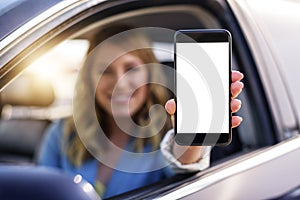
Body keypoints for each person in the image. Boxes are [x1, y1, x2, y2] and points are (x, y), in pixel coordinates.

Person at [38, 25, 243, 198]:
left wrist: (190, 143)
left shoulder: (166, 132)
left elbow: (181, 164)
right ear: (89, 79)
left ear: (149, 74)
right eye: (105, 71)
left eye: (131, 68)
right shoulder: (62, 133)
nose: (119, 83)